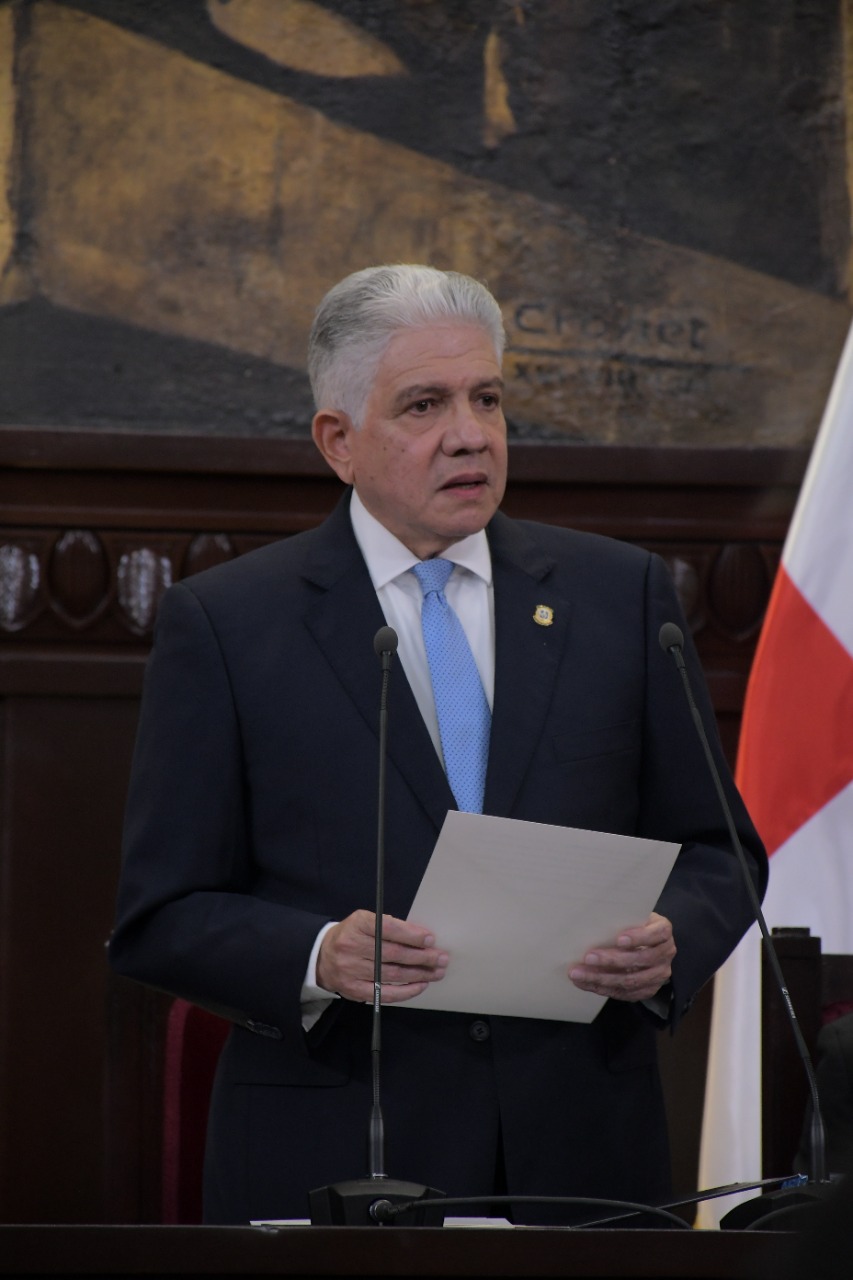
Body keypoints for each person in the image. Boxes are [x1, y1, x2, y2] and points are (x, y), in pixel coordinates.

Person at [109, 264, 767, 1225]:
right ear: (338, 441)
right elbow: (160, 914)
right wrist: (318, 953)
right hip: (341, 1148)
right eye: (425, 405)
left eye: (486, 399)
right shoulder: (229, 624)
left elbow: (720, 852)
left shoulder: (616, 596)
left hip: (579, 1156)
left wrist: (671, 939)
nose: (470, 434)